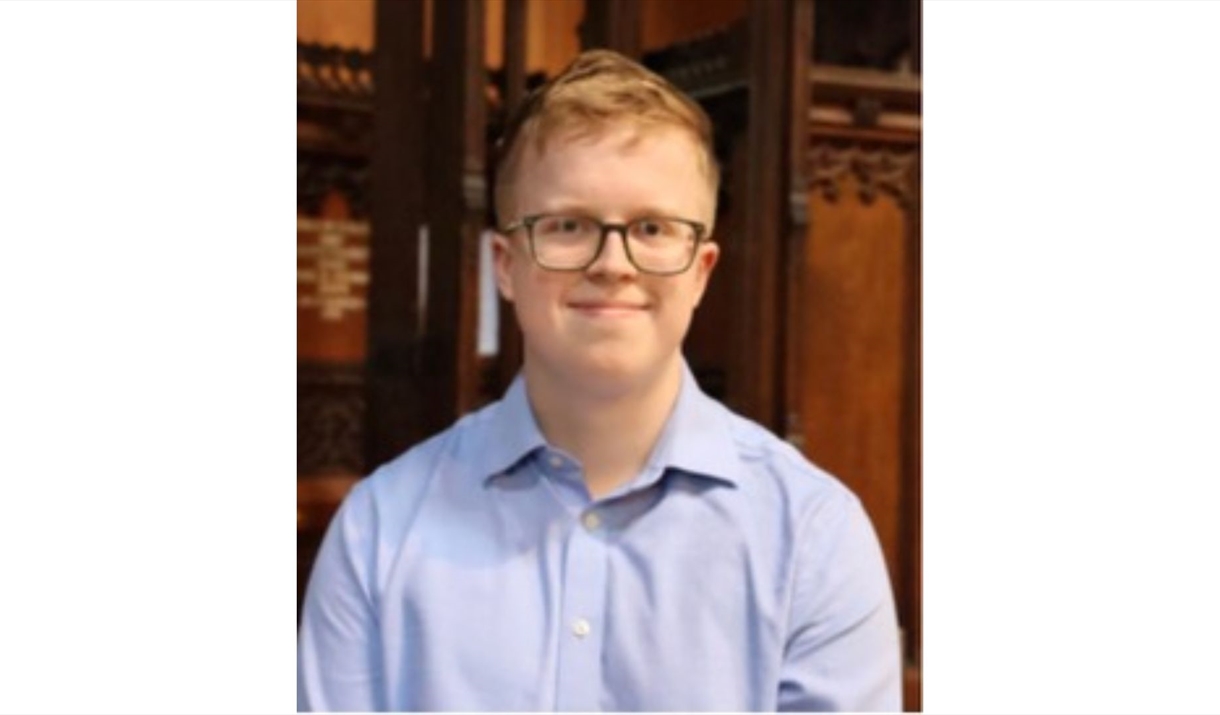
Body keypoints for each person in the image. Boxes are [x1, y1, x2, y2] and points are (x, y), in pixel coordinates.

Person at [298, 49, 901, 712]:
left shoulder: (813, 538)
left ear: (700, 270)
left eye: (651, 228)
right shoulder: (379, 531)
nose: (613, 263)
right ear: (505, 263)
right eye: (567, 226)